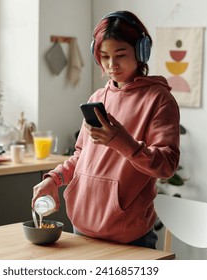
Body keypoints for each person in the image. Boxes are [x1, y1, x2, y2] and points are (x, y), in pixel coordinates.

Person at [32, 10, 180, 249]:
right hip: (81, 229)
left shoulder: (159, 99)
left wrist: (122, 142)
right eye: (104, 56)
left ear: (142, 51)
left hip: (130, 237)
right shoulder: (98, 97)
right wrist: (55, 178)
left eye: (120, 54)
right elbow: (81, 156)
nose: (112, 65)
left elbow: (166, 165)